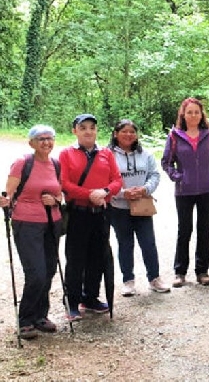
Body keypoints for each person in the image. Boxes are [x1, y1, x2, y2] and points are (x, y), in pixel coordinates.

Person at [0, 125, 63, 338]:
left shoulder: (55, 164)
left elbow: (60, 195)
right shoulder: (23, 163)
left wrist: (54, 200)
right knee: (36, 273)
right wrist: (5, 201)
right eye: (41, 138)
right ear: (31, 143)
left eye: (50, 138)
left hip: (52, 222)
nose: (46, 142)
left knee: (50, 270)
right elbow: (8, 194)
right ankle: (25, 319)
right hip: (26, 223)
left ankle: (40, 316)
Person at [60, 114, 123, 321]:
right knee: (76, 258)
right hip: (78, 213)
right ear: (75, 131)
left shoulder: (106, 153)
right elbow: (65, 183)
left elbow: (117, 180)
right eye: (83, 127)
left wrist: (104, 192)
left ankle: (90, 297)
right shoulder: (67, 154)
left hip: (101, 213)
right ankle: (72, 302)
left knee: (98, 256)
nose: (88, 131)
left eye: (92, 128)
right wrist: (89, 195)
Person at [161, 98, 209, 288]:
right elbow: (166, 162)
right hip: (184, 190)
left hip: (206, 189)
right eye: (190, 112)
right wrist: (178, 176)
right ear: (183, 115)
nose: (193, 115)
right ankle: (180, 272)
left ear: (201, 115)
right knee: (184, 230)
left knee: (204, 229)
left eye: (197, 112)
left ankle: (202, 271)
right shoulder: (174, 136)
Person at [108, 120, 171, 296]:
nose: (128, 135)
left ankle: (154, 278)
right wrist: (122, 193)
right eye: (124, 132)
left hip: (142, 205)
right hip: (119, 207)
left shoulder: (146, 154)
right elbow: (105, 180)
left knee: (148, 243)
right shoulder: (107, 155)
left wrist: (145, 189)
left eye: (132, 132)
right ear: (115, 134)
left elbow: (154, 174)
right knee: (125, 244)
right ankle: (128, 281)